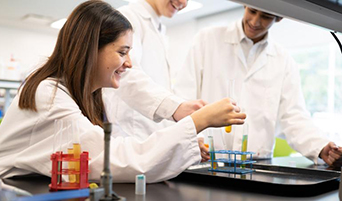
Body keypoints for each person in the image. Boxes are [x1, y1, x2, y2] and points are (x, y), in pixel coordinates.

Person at [0, 0, 246, 183]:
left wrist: (181, 146)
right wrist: (196, 121)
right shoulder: (49, 95)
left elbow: (109, 150)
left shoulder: (79, 95)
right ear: (90, 49)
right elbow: (112, 161)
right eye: (122, 52)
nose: (129, 64)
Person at [174, 6, 342, 166]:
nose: (255, 21)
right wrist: (194, 139)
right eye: (252, 11)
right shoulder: (208, 40)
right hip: (207, 160)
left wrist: (321, 147)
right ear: (245, 5)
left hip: (258, 166)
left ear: (279, 17)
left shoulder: (283, 59)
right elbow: (184, 98)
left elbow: (293, 118)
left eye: (266, 16)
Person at [104, 0, 195, 141]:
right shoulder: (128, 17)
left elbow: (161, 92)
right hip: (129, 136)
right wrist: (175, 108)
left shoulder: (158, 27)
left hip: (150, 138)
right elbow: (124, 74)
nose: (183, 2)